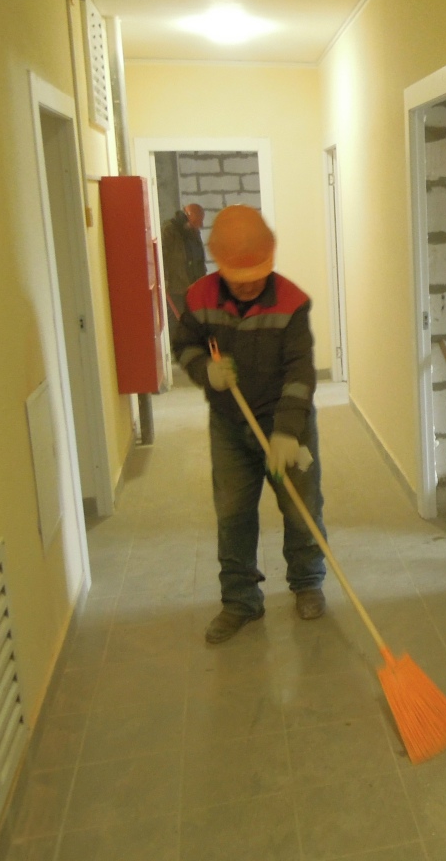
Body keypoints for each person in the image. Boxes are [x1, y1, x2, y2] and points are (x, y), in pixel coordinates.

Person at [171, 204, 327, 643]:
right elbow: (185, 346)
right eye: (239, 277)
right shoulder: (200, 299)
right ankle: (240, 601)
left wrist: (287, 431)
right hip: (230, 425)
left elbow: (300, 371)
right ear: (220, 265)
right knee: (233, 513)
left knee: (301, 507)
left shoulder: (290, 302)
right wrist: (205, 370)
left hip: (285, 420)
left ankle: (307, 583)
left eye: (256, 274)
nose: (248, 284)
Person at [161, 202, 207, 316]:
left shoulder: (193, 232)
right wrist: (164, 281)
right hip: (176, 289)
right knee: (178, 320)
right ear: (188, 217)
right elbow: (162, 258)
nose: (200, 225)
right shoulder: (169, 231)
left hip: (193, 287)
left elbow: (199, 258)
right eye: (197, 222)